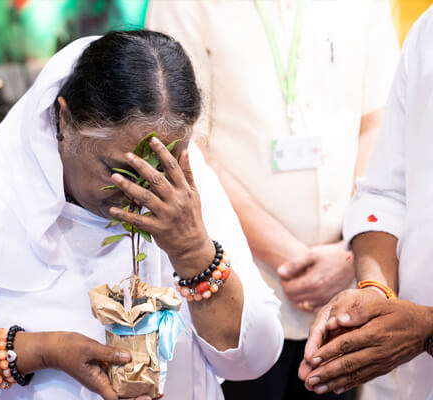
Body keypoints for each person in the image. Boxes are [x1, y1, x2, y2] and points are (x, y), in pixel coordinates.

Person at [0, 31, 283, 400]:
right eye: (120, 172)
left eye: (162, 167)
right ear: (64, 121)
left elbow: (253, 359)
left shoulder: (184, 185)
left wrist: (192, 252)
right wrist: (37, 350)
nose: (143, 193)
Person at [146, 1, 399, 399]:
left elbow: (378, 123)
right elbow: (188, 147)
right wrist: (291, 260)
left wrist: (350, 249)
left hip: (342, 285)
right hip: (235, 292)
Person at [299, 6, 433, 399]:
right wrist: (375, 294)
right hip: (409, 381)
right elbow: (385, 192)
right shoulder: (427, 31)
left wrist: (424, 329)